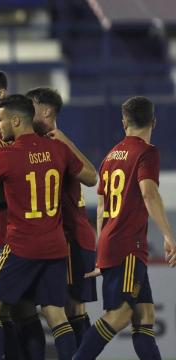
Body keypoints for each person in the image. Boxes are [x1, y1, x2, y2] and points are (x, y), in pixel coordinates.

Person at [0, 95, 98, 360]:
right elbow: (92, 177)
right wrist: (66, 141)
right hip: (56, 247)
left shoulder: (6, 155)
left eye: (0, 120)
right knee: (56, 314)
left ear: (15, 120)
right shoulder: (56, 149)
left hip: (21, 246)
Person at [74, 96, 176, 360]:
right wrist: (168, 235)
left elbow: (102, 208)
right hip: (129, 246)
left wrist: (101, 249)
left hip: (112, 242)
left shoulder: (110, 156)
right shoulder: (147, 152)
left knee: (145, 315)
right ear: (153, 121)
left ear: (124, 122)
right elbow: (149, 193)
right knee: (121, 314)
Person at [26, 87, 98, 345]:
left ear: (45, 111)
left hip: (71, 237)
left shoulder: (58, 143)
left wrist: (66, 142)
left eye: (29, 106)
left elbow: (92, 178)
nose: (24, 112)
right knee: (59, 310)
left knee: (72, 309)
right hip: (58, 238)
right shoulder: (39, 143)